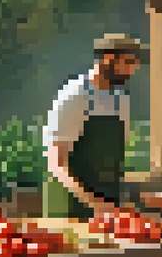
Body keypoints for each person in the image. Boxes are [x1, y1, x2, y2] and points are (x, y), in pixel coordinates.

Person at [43, 33, 145, 219]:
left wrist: (134, 198)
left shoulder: (121, 100)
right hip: (69, 207)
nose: (133, 69)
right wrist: (93, 202)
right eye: (129, 62)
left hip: (108, 208)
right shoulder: (74, 95)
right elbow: (56, 163)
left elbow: (114, 165)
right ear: (108, 59)